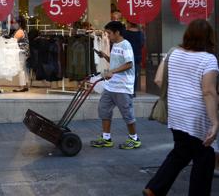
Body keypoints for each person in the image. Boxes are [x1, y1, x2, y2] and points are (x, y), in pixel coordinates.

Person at [143, 19, 218, 196]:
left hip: (176, 113)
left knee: (181, 152)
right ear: (209, 38)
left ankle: (154, 188)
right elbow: (208, 91)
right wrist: (215, 122)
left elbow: (159, 80)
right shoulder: (208, 59)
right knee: (204, 157)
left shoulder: (174, 54)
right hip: (197, 114)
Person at [92, 21, 141, 150]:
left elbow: (129, 64)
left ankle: (134, 138)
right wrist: (105, 56)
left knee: (127, 113)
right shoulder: (115, 45)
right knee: (104, 109)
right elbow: (115, 63)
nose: (107, 36)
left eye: (109, 33)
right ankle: (106, 138)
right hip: (111, 85)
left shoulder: (125, 45)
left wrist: (111, 71)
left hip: (123, 86)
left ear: (117, 32)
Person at [122, 21, 145, 96]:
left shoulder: (125, 33)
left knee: (125, 73)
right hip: (137, 56)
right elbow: (142, 44)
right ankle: (132, 91)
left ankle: (125, 90)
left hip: (126, 56)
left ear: (128, 23)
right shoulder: (140, 34)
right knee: (134, 74)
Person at [12, 16, 29, 92]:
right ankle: (25, 85)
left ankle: (22, 86)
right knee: (24, 69)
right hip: (23, 52)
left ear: (19, 23)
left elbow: (13, 40)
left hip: (21, 52)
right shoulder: (23, 30)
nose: (13, 24)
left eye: (14, 22)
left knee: (20, 69)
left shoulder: (20, 31)